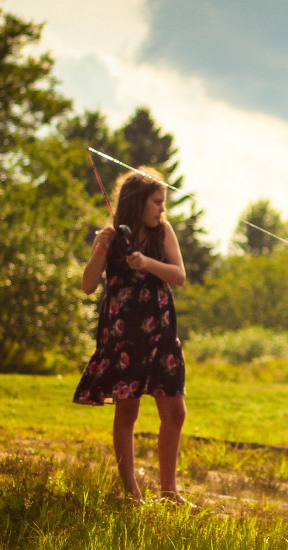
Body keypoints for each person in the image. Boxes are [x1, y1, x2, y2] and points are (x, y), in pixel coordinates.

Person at [72, 166, 189, 506]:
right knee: (127, 412)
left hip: (161, 334)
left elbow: (179, 275)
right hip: (123, 337)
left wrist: (147, 263)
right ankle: (131, 493)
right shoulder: (112, 236)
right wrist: (99, 250)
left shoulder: (163, 232)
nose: (161, 209)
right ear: (137, 202)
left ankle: (170, 493)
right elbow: (88, 285)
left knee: (175, 411)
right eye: (157, 202)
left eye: (163, 203)